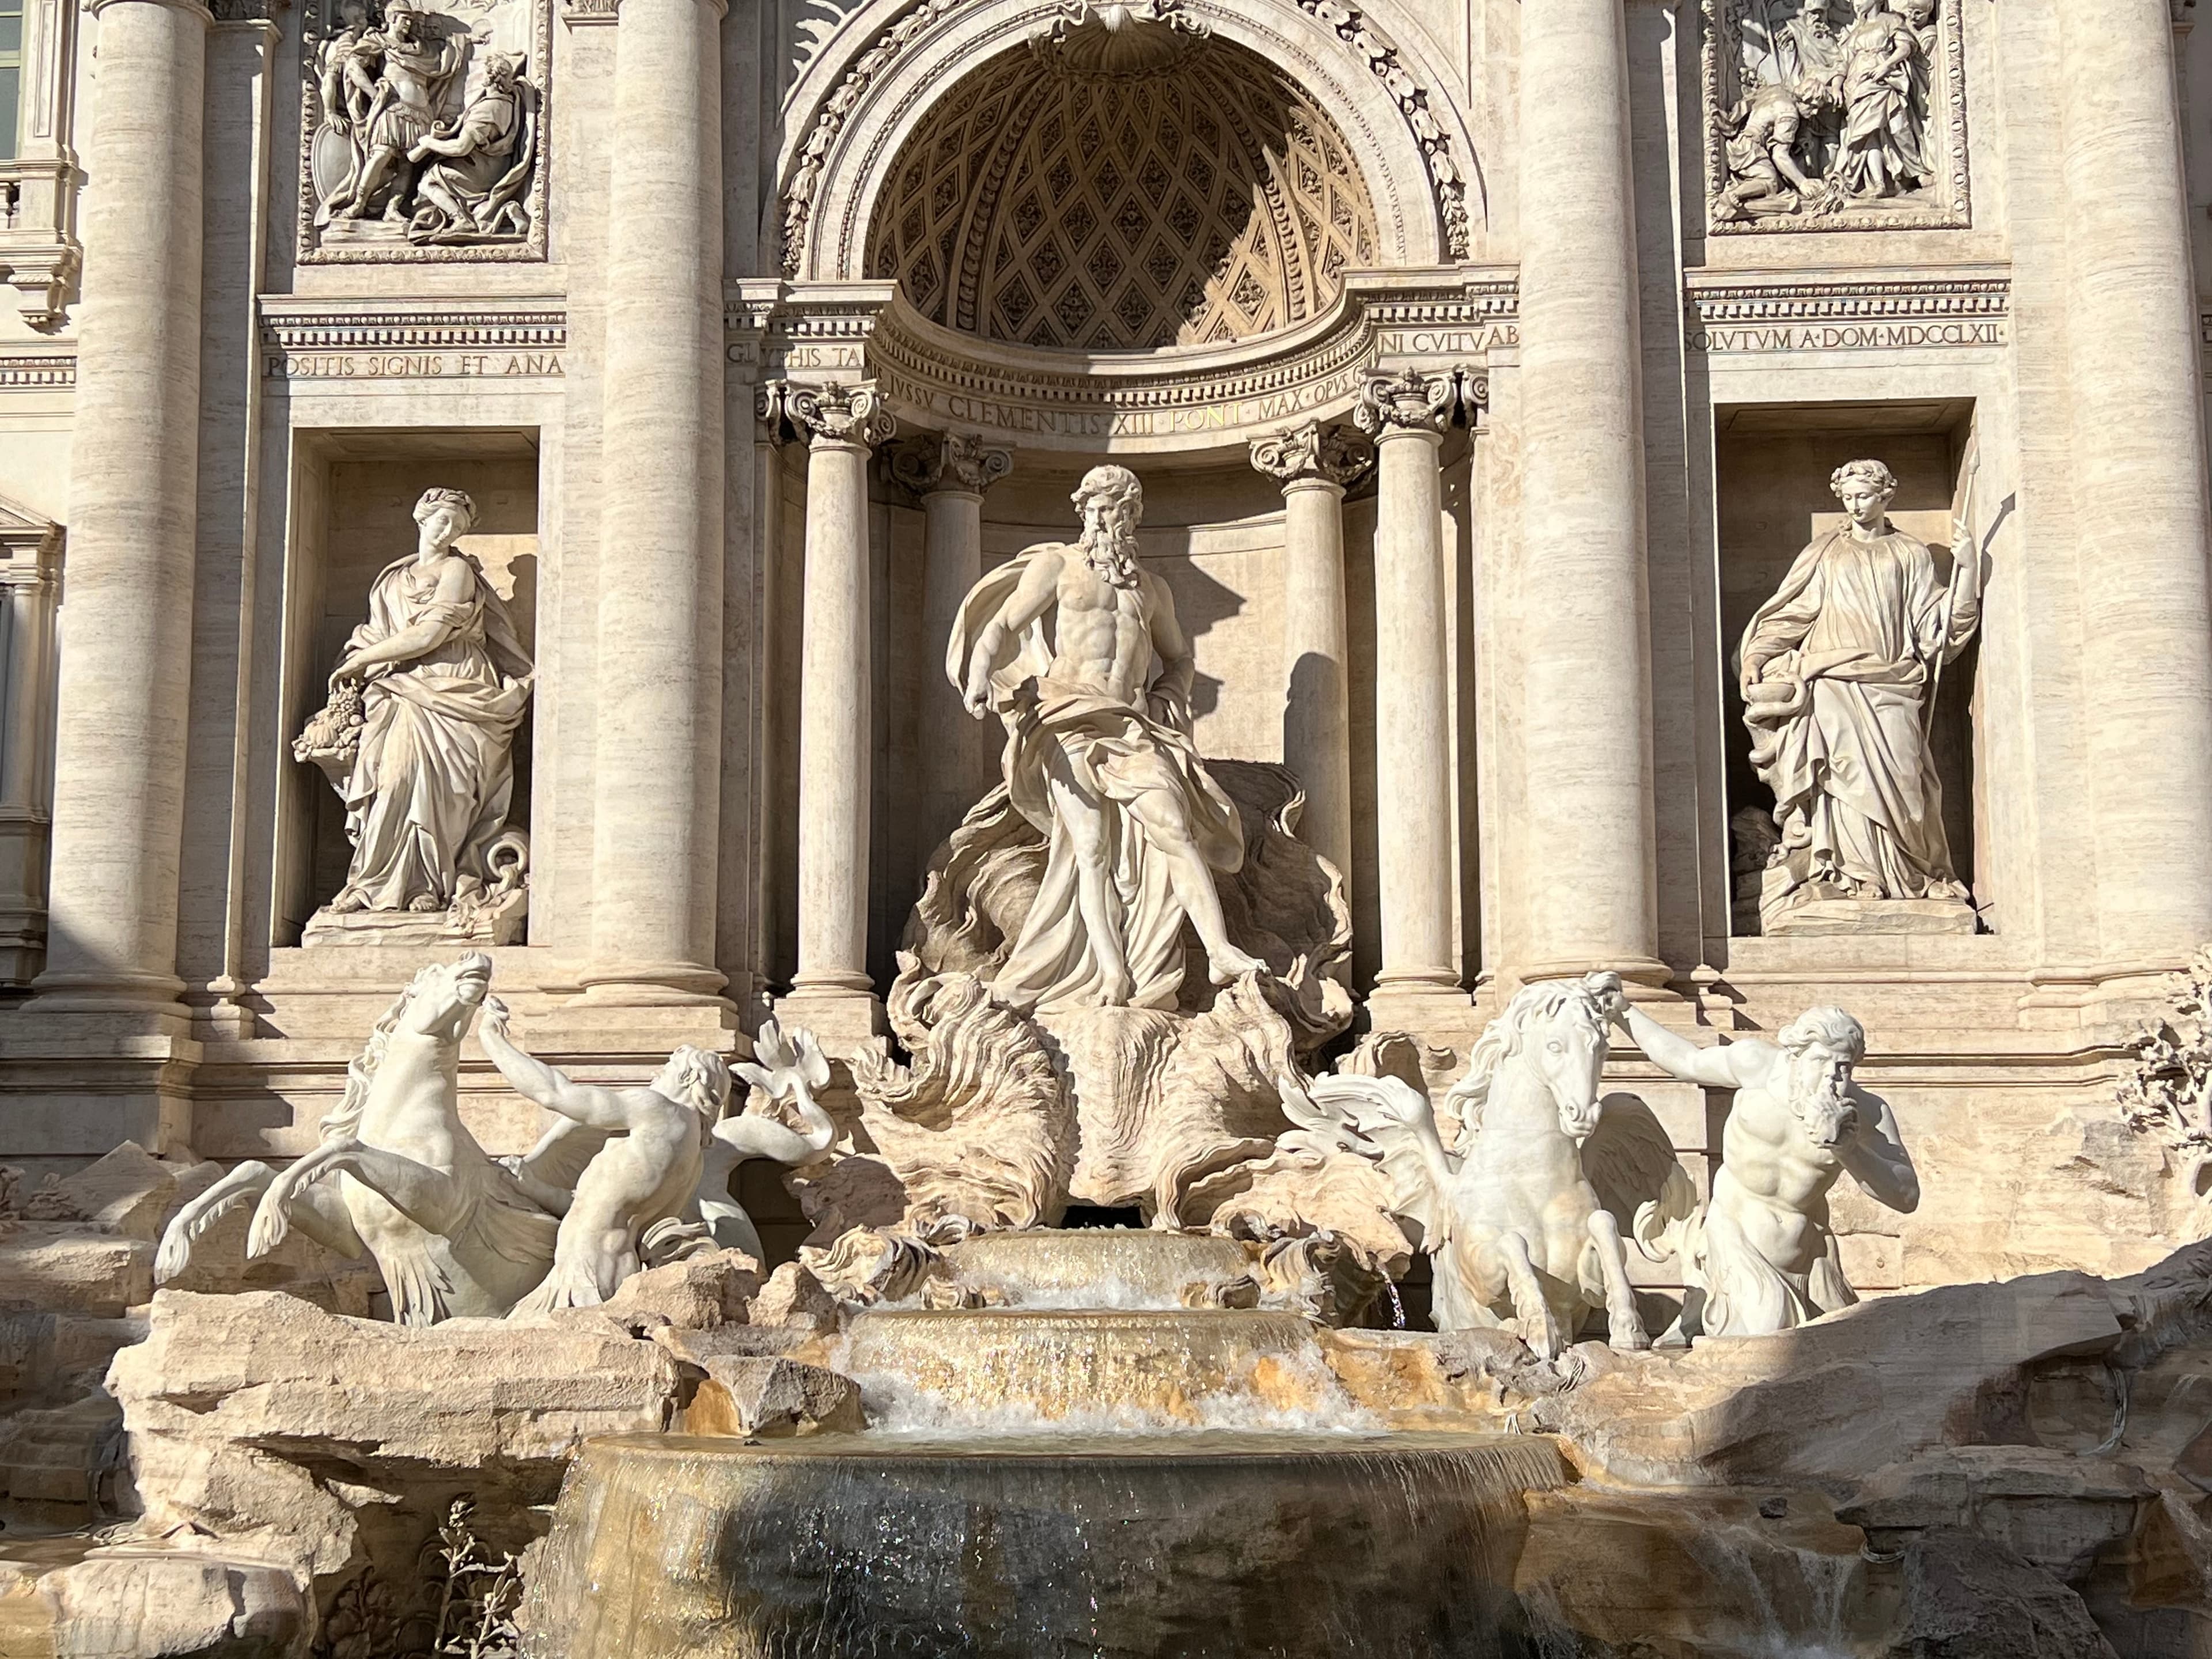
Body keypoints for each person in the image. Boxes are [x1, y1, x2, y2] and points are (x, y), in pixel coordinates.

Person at [949, 464, 1265, 1012]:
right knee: (1090, 847)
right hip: (1066, 713)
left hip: (1130, 724)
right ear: (1083, 513)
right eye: (1093, 506)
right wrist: (979, 673)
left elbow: (1181, 658)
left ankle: (1219, 951)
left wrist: (1168, 701)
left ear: (1132, 517)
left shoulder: (1152, 590)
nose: (1102, 517)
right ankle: (1113, 975)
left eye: (1113, 507)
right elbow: (1002, 625)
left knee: (1173, 824)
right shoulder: (1059, 567)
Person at [1738, 457, 1979, 921]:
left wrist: (1966, 571)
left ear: (1887, 495)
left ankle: (1911, 874)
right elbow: (1792, 614)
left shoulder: (1910, 553)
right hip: (1831, 681)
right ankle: (1852, 875)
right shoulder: (1825, 552)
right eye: (1847, 498)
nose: (1854, 505)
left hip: (1892, 681)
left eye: (1863, 496)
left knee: (1907, 781)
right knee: (1841, 776)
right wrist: (1757, 655)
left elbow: (1936, 628)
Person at [1606, 993, 1919, 1337]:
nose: (1831, 1076)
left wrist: (1848, 1150)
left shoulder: (1868, 1112)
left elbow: (1906, 1196)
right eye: (1820, 1061)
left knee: (1846, 1344)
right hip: (1736, 1238)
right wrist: (1624, 1012)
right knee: (1768, 1337)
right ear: (1796, 1055)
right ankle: (1711, 1297)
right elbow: (1685, 1060)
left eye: (1843, 1067)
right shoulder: (1757, 1065)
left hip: (1809, 1258)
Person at [320, 487, 533, 916]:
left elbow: (429, 635)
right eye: (442, 521)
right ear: (421, 519)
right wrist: (361, 656)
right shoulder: (392, 578)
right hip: (401, 688)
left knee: (444, 792)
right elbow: (380, 631)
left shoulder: (457, 570)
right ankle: (371, 883)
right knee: (392, 781)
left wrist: (361, 660)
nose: (449, 530)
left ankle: (428, 885)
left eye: (458, 526)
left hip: (454, 684)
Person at [477, 997, 730, 1313]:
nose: (656, 1074)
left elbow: (555, 1093)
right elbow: (596, 1206)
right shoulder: (694, 1156)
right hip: (607, 1267)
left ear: (687, 1078)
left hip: (587, 1270)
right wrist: (531, 1187)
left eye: (667, 1068)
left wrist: (491, 1039)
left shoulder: (658, 1109)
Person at [1831, 0, 1929, 200]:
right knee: (1867, 135)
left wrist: (1886, 65)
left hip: (1885, 80)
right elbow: (1843, 62)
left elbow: (1905, 47)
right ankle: (1879, 184)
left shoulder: (1891, 20)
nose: (1855, 4)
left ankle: (1917, 172)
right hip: (1858, 84)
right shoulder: (1857, 31)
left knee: (1899, 126)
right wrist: (1836, 87)